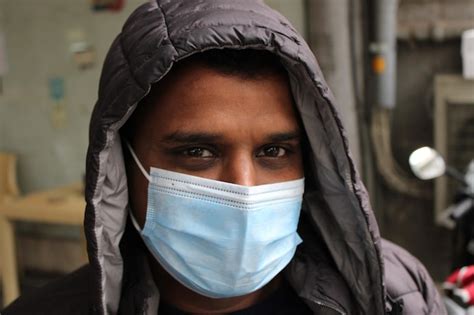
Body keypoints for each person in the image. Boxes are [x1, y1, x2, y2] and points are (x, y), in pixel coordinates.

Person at [2, 1, 446, 314]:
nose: (244, 188)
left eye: (274, 151)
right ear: (121, 167)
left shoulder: (394, 291)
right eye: (197, 152)